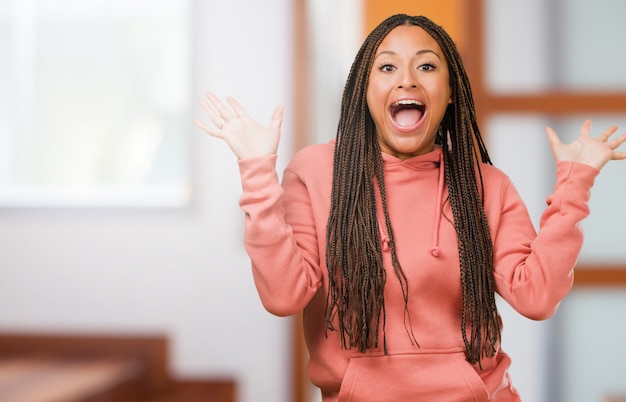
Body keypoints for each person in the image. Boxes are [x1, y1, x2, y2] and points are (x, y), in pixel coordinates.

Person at [194, 14, 626, 402]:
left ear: (451, 91)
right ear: (365, 90)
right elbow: (284, 295)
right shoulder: (316, 172)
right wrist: (256, 171)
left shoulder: (486, 186)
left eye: (426, 66)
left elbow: (537, 297)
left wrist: (575, 185)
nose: (407, 81)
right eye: (387, 67)